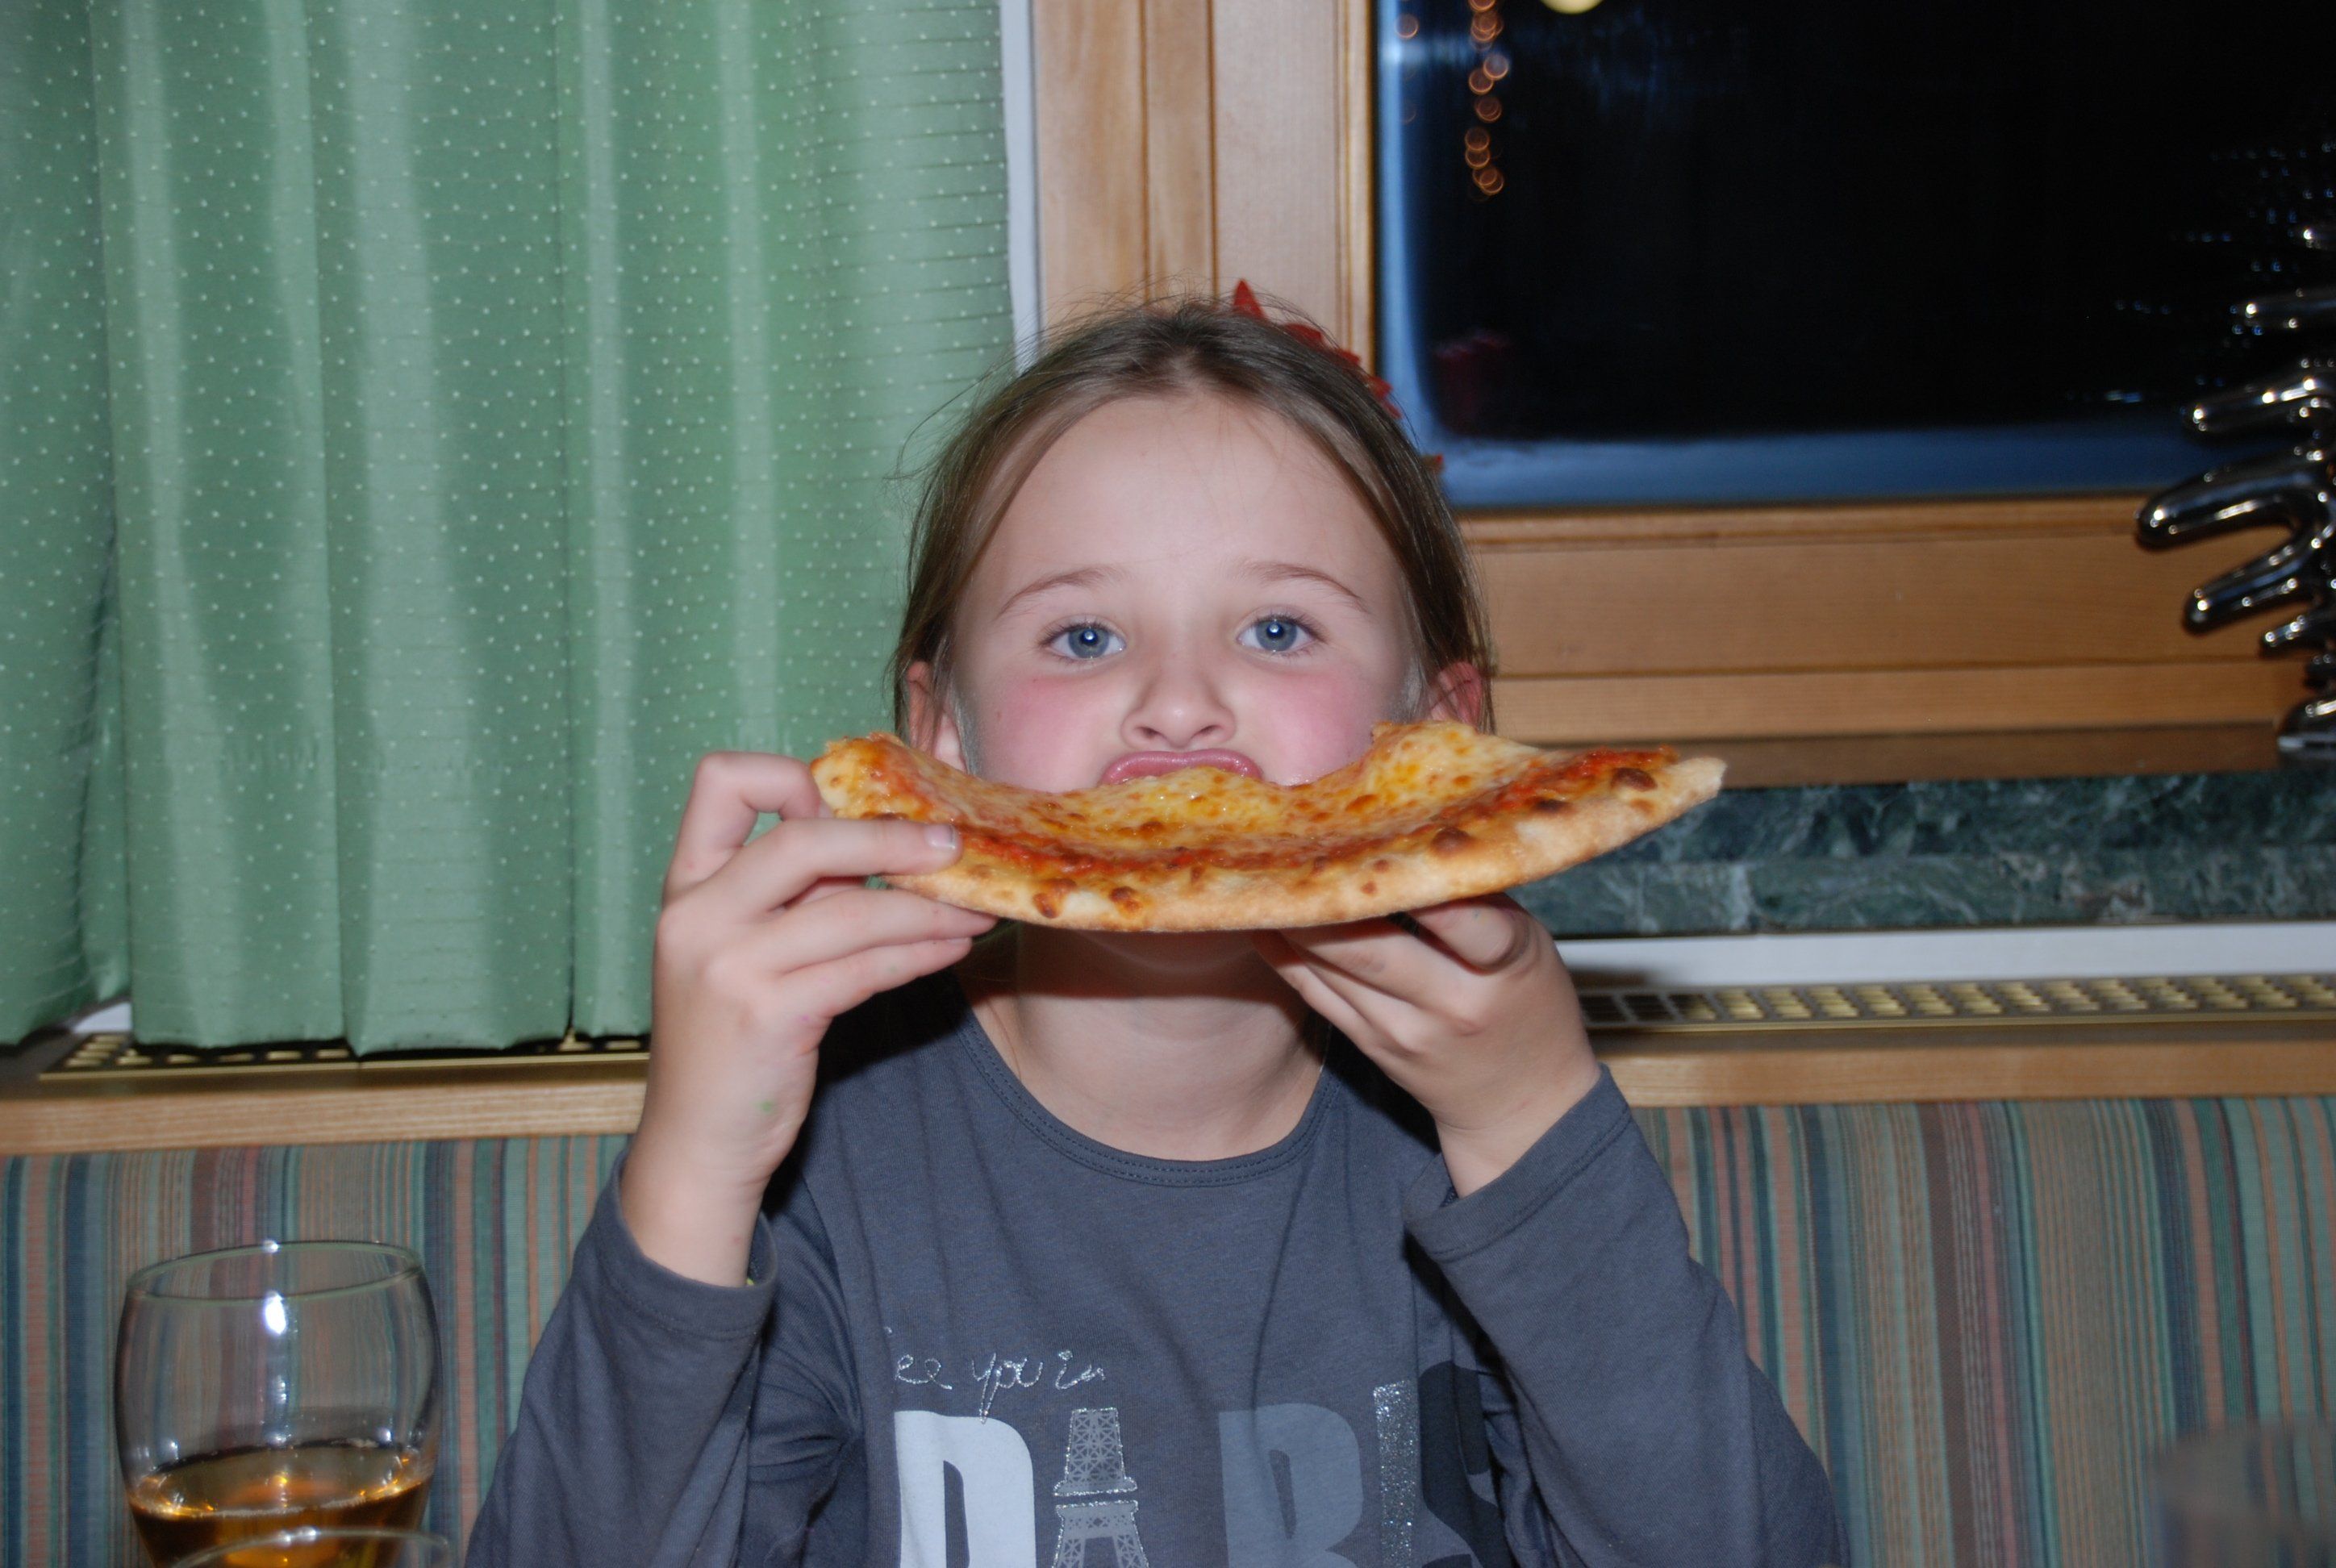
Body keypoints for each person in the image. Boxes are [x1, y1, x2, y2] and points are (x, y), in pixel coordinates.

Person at [467, 287, 1844, 1566]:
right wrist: (696, 1167)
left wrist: (1537, 1134)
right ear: (944, 740)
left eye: (1279, 630)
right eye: (1083, 637)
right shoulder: (831, 1157)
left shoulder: (1480, 1127)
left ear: (1440, 746)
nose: (1179, 706)